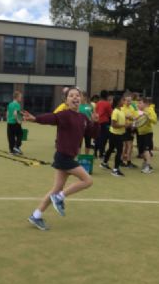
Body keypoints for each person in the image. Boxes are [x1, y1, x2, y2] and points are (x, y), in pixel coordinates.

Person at [22, 87, 100, 231]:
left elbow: (92, 134)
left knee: (56, 189)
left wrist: (95, 123)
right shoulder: (64, 114)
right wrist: (35, 119)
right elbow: (52, 117)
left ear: (81, 99)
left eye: (77, 95)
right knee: (87, 181)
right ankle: (60, 197)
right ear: (66, 100)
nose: (75, 98)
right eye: (71, 96)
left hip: (68, 157)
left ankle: (36, 215)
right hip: (64, 157)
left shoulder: (83, 118)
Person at [100, 96, 127, 177]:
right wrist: (124, 125)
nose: (124, 101)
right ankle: (115, 170)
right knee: (119, 151)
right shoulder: (115, 111)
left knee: (111, 148)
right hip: (115, 134)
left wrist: (127, 125)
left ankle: (104, 163)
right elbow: (113, 124)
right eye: (123, 100)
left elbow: (121, 122)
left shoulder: (121, 110)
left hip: (117, 133)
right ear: (118, 102)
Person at [136, 97, 157, 174]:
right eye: (138, 103)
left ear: (145, 104)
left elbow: (155, 120)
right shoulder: (138, 111)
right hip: (140, 133)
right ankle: (146, 163)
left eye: (140, 103)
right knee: (141, 151)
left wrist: (147, 116)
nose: (138, 104)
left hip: (148, 133)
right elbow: (136, 121)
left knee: (146, 150)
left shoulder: (149, 110)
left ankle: (148, 166)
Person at [121, 93, 139, 168]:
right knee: (127, 146)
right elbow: (123, 117)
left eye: (130, 101)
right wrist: (129, 117)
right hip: (125, 128)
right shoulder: (122, 108)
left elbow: (136, 117)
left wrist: (133, 125)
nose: (129, 102)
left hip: (131, 128)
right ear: (124, 101)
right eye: (127, 101)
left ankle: (124, 160)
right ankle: (127, 161)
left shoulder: (132, 108)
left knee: (129, 146)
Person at [94, 90, 113, 159]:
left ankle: (95, 153)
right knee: (103, 138)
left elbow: (95, 111)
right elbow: (110, 114)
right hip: (104, 122)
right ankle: (101, 154)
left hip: (97, 121)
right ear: (107, 96)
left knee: (97, 137)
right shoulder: (107, 104)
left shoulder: (98, 103)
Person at [7, 91, 24, 155]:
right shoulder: (17, 104)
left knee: (11, 136)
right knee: (20, 134)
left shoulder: (10, 104)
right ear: (17, 97)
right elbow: (15, 113)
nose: (21, 98)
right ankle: (17, 147)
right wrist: (18, 121)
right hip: (15, 122)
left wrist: (8, 120)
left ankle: (12, 151)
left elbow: (8, 113)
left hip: (9, 123)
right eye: (20, 97)